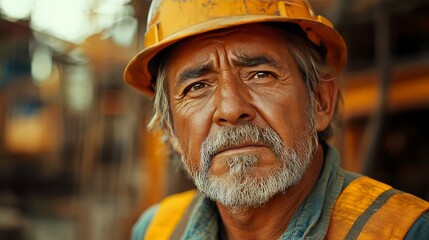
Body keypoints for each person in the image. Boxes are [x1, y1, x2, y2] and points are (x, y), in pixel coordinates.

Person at [124, 0, 429, 239]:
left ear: (320, 101)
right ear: (172, 131)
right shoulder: (156, 230)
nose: (230, 109)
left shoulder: (404, 231)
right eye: (197, 87)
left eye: (261, 75)